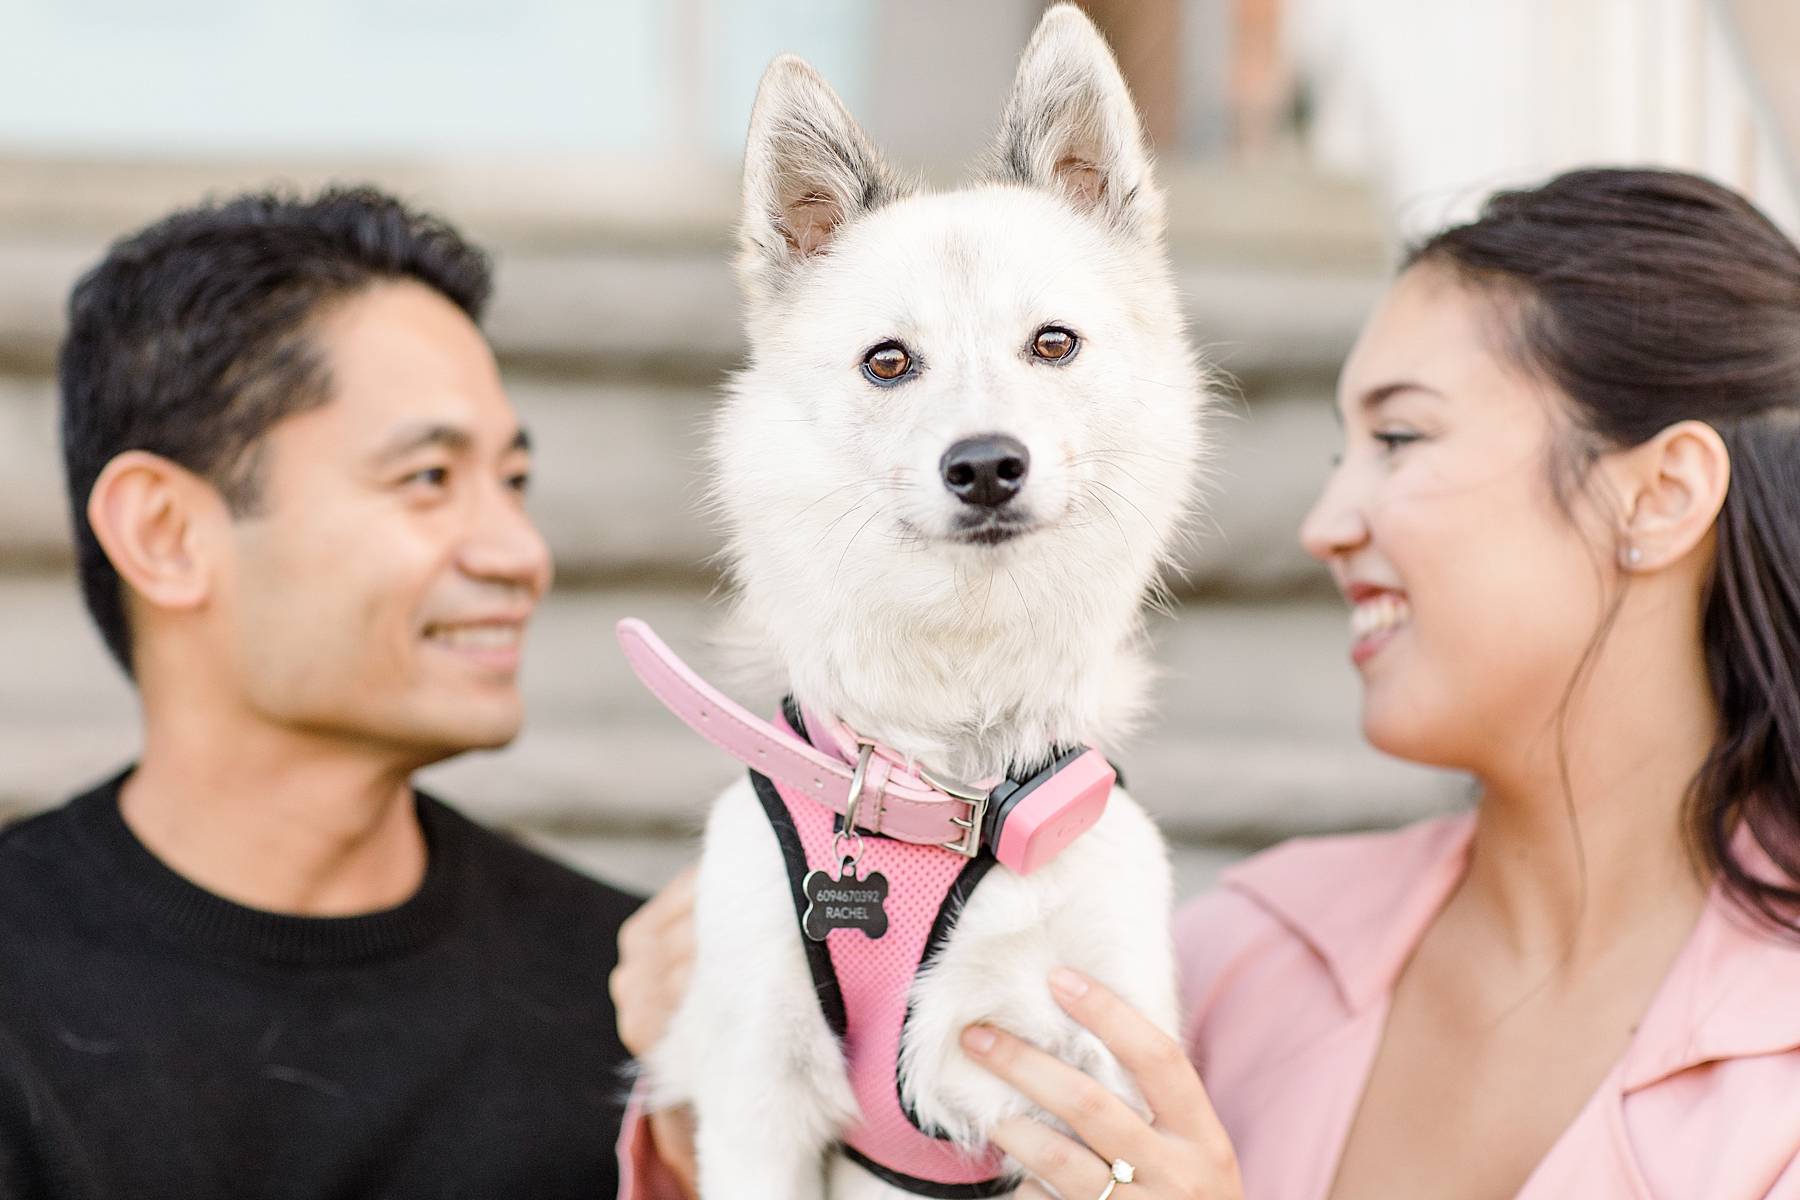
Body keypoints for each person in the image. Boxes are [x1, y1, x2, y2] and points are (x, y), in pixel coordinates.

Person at [610, 166, 1800, 1199]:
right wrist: (701, 1077)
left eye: (1400, 439)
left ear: (1659, 495)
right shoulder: (1248, 949)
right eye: (1340, 453)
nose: (1327, 522)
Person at [0, 188, 640, 1198]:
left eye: (512, 482)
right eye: (429, 477)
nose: (523, 555)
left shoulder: (634, 1003)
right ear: (165, 535)